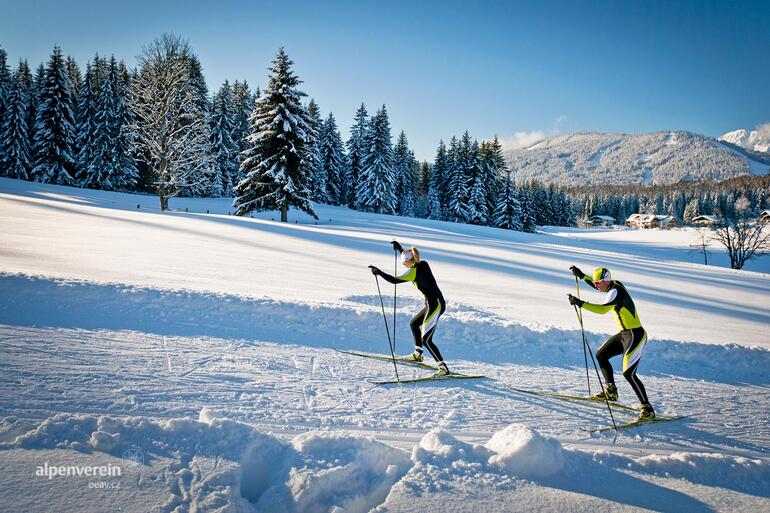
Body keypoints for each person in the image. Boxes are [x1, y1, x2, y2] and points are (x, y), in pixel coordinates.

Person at [567, 266, 655, 420]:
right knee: (601, 354)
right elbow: (598, 286)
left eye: (598, 283)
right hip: (624, 335)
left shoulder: (615, 292)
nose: (596, 286)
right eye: (594, 283)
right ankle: (611, 391)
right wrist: (582, 276)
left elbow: (602, 310)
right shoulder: (614, 284)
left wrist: (580, 303)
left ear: (606, 280)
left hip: (635, 335)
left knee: (629, 374)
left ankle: (647, 409)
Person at [368, 241, 450, 377]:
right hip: (432, 303)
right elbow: (409, 258)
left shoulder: (413, 272)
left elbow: (394, 280)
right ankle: (418, 354)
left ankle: (443, 367)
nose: (403, 265)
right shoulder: (422, 264)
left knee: (426, 339)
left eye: (404, 262)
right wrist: (400, 249)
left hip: (436, 305)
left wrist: (379, 272)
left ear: (409, 260)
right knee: (414, 324)